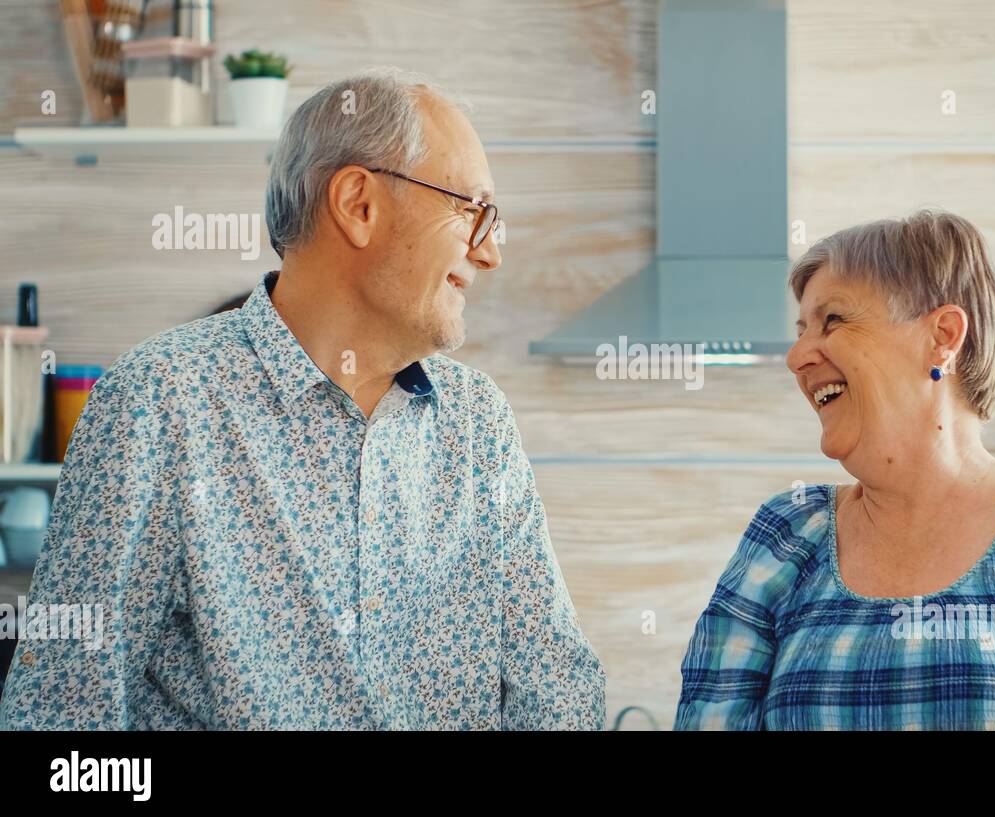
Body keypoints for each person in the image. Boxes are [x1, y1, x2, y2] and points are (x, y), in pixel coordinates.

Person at [0, 68, 605, 730]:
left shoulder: (479, 422)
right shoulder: (157, 404)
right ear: (359, 203)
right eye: (473, 210)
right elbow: (58, 723)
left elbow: (558, 690)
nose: (489, 253)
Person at [675, 210, 995, 730]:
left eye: (833, 320)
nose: (797, 356)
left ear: (943, 335)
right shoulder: (788, 531)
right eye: (801, 329)